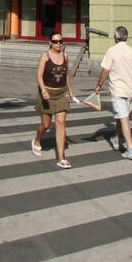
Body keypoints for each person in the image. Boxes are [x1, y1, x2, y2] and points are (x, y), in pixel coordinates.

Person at [93, 26, 132, 160]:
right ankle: (117, 139)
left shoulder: (112, 51)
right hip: (130, 90)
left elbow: (105, 70)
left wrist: (99, 85)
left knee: (124, 118)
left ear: (115, 37)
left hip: (118, 90)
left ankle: (130, 149)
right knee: (122, 116)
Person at [32, 33, 75, 168]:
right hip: (47, 93)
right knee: (45, 125)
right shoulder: (45, 56)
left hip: (61, 93)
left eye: (60, 41)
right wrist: (43, 90)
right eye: (55, 41)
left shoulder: (65, 56)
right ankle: (37, 139)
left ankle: (61, 158)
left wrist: (71, 92)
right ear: (50, 42)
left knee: (61, 123)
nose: (58, 44)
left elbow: (66, 75)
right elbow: (39, 75)